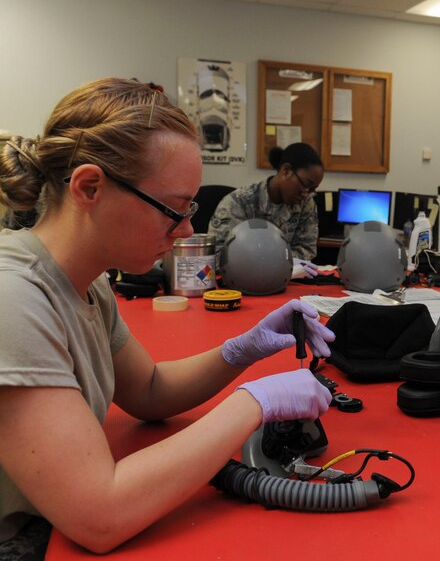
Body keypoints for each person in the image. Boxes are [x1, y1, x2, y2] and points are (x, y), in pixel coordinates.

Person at [0, 78, 336, 556]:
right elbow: (99, 514)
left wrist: (243, 348)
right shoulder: (12, 297)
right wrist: (253, 404)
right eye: (172, 209)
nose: (185, 231)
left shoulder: (88, 282)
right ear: (90, 187)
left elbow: (150, 390)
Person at [209, 143, 324, 278]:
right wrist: (277, 262)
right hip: (242, 282)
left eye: (312, 190)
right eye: (305, 185)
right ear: (286, 170)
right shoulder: (239, 202)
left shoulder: (305, 205)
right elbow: (218, 257)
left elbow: (307, 250)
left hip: (285, 283)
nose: (306, 194)